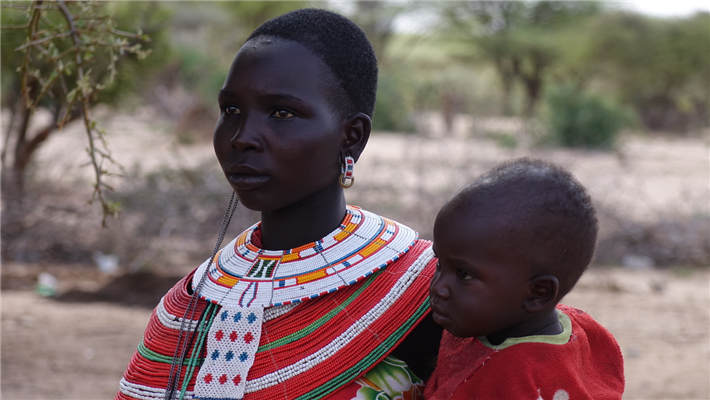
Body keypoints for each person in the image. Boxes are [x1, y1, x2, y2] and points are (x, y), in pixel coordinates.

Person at [116, 8, 441, 400]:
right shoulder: (189, 306)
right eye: (231, 111)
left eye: (282, 113)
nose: (242, 137)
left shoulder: (431, 291)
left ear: (352, 137)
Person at [424, 158, 625, 400]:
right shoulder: (582, 330)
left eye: (464, 275)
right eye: (439, 264)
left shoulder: (512, 383)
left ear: (538, 293)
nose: (438, 288)